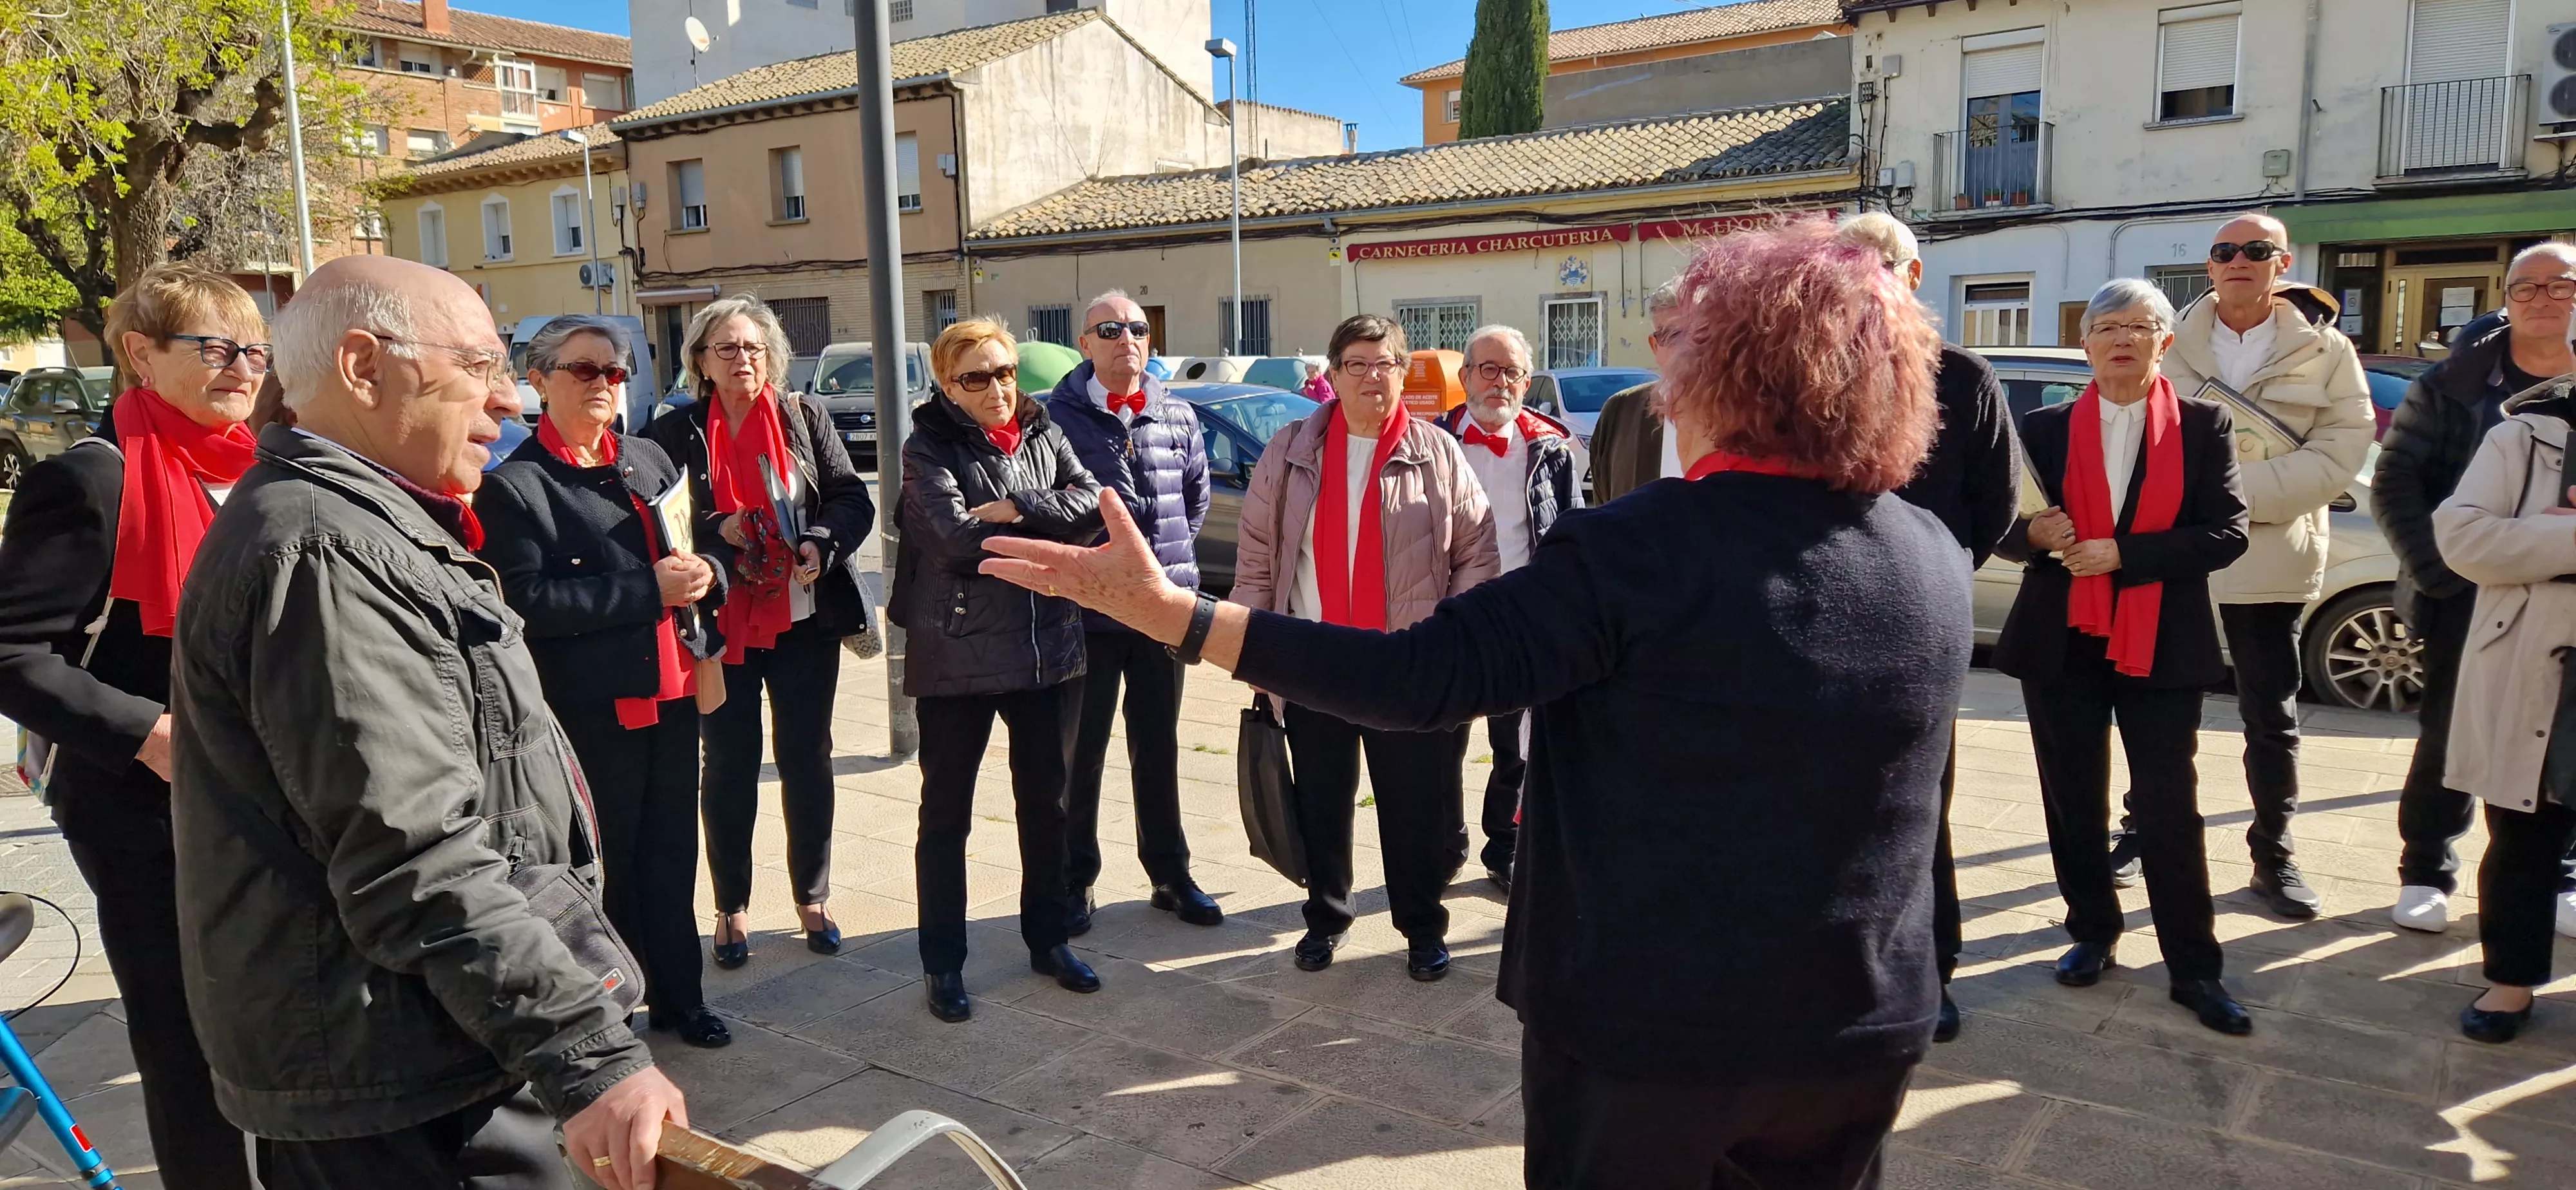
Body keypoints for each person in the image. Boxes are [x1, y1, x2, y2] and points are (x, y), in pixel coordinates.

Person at [981, 221, 1964, 1190]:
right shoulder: (1929, 557)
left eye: (1677, 347)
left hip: (1655, 1032)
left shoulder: (1637, 551)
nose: (1663, 379)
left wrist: (1174, 616)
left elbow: (1419, 678)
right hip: (1860, 1028)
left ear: (1727, 378)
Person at [169, 256, 685, 1190]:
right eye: (480, 367)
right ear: (364, 368)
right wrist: (587, 1054)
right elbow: (413, 854)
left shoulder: (363, 524)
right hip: (400, 1081)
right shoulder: (325, 549)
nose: (509, 403)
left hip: (424, 1046)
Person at [0, 263, 260, 1189]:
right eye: (217, 347)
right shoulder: (89, 481)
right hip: (143, 808)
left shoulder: (248, 471)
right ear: (141, 354)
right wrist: (149, 733)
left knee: (266, 1018)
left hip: (260, 794)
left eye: (255, 351)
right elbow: (12, 653)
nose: (243, 367)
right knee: (185, 1035)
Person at [1996, 278, 2252, 1036]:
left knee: (2169, 805)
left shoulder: (2204, 427)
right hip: (2061, 638)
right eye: (2105, 326)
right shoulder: (2039, 429)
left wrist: (2123, 556)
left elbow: (2227, 533)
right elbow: (2003, 526)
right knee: (2072, 797)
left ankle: (2194, 966)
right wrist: (2032, 539)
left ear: (2163, 342)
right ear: (2085, 344)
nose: (2120, 339)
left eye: (2137, 326)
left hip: (2159, 639)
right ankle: (2092, 930)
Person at [477, 316, 731, 1049]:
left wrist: (707, 569)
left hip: (676, 692)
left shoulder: (648, 457)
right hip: (594, 709)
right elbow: (526, 606)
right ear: (540, 380)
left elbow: (698, 537)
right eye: (585, 371)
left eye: (614, 373)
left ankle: (682, 999)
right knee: (607, 864)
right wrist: (648, 589)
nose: (603, 385)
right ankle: (609, 1012)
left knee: (672, 852)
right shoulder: (518, 488)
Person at [1231, 313, 1498, 983]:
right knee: (1321, 799)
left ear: (1402, 373)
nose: (1373, 376)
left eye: (1386, 364)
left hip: (1404, 666)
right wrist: (1257, 653)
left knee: (1415, 806)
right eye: (1359, 363)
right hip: (1313, 659)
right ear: (1334, 372)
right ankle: (1326, 917)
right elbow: (1258, 560)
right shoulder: (1290, 451)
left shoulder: (1436, 451)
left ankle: (1421, 928)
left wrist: (1452, 646)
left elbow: (1476, 553)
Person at [2155, 212, 2375, 920]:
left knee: (2269, 717)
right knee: (2159, 712)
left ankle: (2272, 855)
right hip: (2177, 556)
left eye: (2255, 250)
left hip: (2269, 553)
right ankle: (2144, 832)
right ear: (2209, 266)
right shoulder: (2169, 342)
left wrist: (2234, 500)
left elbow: (2344, 445)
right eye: (2224, 251)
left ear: (2281, 264)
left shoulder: (2327, 351)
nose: (2237, 261)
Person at [645, 294, 875, 969]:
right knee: (728, 767)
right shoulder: (675, 432)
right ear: (702, 362)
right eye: (728, 349)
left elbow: (849, 496)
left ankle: (813, 898)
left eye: (752, 348)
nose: (742, 359)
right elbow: (664, 521)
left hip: (803, 618)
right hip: (722, 627)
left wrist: (821, 544)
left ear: (769, 356)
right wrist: (719, 528)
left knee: (809, 759)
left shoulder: (804, 417)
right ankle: (731, 909)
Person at [1837, 212, 2020, 1044]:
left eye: (1880, 267)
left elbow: (1997, 508)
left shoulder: (1963, 379)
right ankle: (1832, 966)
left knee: (1917, 807)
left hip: (1917, 631)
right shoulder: (1814, 373)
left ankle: (1928, 973)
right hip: (1822, 621)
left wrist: (1931, 586)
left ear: (1913, 279)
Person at [897, 317, 1107, 1022]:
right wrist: (1046, 536)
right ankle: (943, 963)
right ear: (947, 384)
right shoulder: (926, 444)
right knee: (945, 815)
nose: (997, 389)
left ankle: (1049, 940)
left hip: (1045, 646)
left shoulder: (1045, 430)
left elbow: (1091, 505)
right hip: (958, 650)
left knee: (1047, 807)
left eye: (1006, 372)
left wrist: (1020, 506)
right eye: (976, 378)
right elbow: (954, 539)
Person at [2382, 244, 2576, 934]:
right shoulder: (2454, 384)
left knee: (2563, 733)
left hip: (2567, 604)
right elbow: (2396, 481)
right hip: (2467, 593)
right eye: (2527, 288)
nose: (2544, 299)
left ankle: (2558, 876)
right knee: (2446, 733)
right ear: (2506, 298)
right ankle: (2425, 867)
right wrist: (2441, 576)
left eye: (2562, 285)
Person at [1043, 290, 1223, 934]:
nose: (1127, 339)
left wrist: (1160, 572)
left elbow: (1195, 501)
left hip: (1162, 611)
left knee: (1159, 748)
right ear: (1085, 343)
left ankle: (1170, 874)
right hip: (1087, 615)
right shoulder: (1055, 417)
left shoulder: (1176, 415)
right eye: (1110, 329)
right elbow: (1045, 506)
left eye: (1139, 329)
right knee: (1079, 754)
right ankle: (1072, 881)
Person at [2432, 360, 2576, 1044]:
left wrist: (2536, 541)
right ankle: (2509, 982)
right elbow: (2461, 536)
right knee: (2522, 829)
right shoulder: (2521, 437)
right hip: (2536, 660)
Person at [1431, 323, 1579, 892]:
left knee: (1515, 746)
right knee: (1441, 739)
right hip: (1450, 616)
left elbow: (1564, 530)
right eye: (1487, 369)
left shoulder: (1552, 447)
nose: (1499, 382)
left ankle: (1505, 846)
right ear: (1465, 376)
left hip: (1522, 618)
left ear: (1526, 380)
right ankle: (1444, 848)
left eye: (1512, 371)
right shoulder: (1431, 439)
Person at [1585, 276, 1685, 504]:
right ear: (1655, 346)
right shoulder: (1621, 412)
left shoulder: (1750, 415)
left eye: (1699, 333)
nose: (1686, 348)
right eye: (1672, 336)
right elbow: (1605, 503)